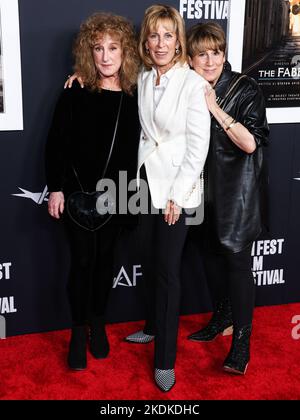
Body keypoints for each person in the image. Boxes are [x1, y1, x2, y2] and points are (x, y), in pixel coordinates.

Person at [45, 12, 141, 371]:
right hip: (77, 195)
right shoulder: (74, 91)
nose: (105, 56)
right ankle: (76, 329)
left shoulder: (135, 96)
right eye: (98, 48)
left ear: (124, 51)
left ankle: (97, 325)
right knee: (82, 263)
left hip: (118, 195)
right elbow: (56, 144)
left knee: (104, 266)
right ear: (89, 51)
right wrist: (55, 189)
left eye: (113, 48)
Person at [124, 4, 210, 391]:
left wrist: (177, 195)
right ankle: (153, 326)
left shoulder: (193, 84)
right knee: (150, 259)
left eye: (168, 35)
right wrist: (80, 75)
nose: (160, 43)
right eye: (154, 35)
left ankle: (165, 361)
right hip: (146, 184)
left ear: (178, 41)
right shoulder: (143, 77)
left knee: (168, 273)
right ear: (146, 40)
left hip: (179, 190)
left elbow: (198, 147)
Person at [186, 22, 269, 375]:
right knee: (208, 257)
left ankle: (242, 344)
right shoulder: (187, 86)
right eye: (201, 54)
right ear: (189, 59)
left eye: (215, 52)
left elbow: (250, 143)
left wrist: (215, 108)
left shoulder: (244, 88)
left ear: (224, 54)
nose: (210, 60)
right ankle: (221, 318)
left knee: (236, 266)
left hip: (237, 193)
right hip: (201, 192)